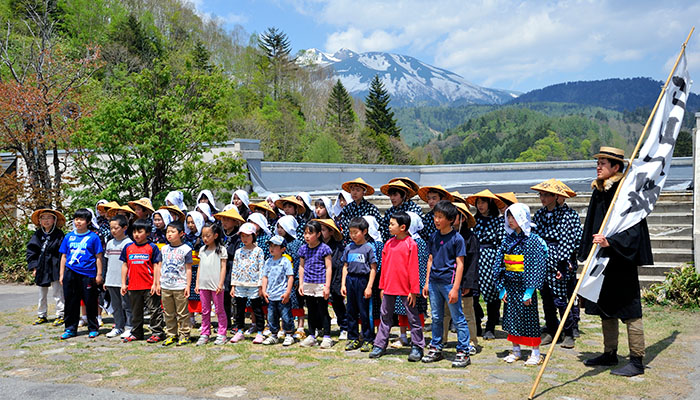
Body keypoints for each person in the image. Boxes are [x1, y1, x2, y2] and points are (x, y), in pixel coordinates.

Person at [580, 146, 652, 377]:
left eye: (603, 162)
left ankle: (637, 360)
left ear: (616, 167)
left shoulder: (627, 194)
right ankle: (609, 352)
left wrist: (611, 241)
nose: (598, 166)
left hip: (622, 259)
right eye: (598, 161)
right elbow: (592, 223)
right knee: (605, 308)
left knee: (630, 310)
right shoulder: (599, 191)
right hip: (602, 260)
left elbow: (634, 229)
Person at [494, 203, 548, 366]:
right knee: (511, 319)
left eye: (514, 217)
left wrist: (530, 290)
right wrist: (502, 287)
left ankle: (535, 352)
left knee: (529, 319)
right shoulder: (507, 240)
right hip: (510, 285)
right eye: (508, 217)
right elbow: (499, 263)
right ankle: (515, 349)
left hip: (526, 285)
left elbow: (536, 265)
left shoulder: (532, 240)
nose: (510, 220)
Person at [421, 201, 471, 368]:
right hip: (434, 283)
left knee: (458, 318)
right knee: (436, 317)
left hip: (449, 283)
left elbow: (460, 264)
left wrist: (456, 288)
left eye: (440, 217)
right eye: (435, 216)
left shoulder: (457, 239)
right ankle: (436, 347)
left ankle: (463, 350)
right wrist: (427, 282)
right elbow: (430, 260)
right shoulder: (434, 236)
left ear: (451, 219)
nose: (436, 220)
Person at [370, 211, 424, 361]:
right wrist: (382, 287)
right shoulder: (388, 243)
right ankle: (380, 345)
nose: (389, 226)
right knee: (385, 316)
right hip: (389, 287)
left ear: (403, 227)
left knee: (413, 317)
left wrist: (414, 291)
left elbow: (414, 269)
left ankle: (417, 346)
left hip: (406, 289)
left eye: (392, 224)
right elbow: (385, 267)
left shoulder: (411, 244)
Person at [530, 179, 577, 349]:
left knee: (560, 299)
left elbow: (568, 240)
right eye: (541, 194)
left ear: (555, 196)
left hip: (559, 257)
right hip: (543, 258)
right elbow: (534, 237)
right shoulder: (540, 214)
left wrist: (563, 264)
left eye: (546, 195)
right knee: (547, 297)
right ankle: (551, 329)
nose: (542, 198)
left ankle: (569, 332)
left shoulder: (567, 215)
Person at [58, 208, 104, 339]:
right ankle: (70, 328)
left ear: (88, 222)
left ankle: (93, 327)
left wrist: (99, 274)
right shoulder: (68, 236)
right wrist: (62, 274)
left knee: (90, 301)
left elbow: (98, 257)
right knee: (71, 302)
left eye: (81, 219)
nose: (78, 222)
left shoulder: (93, 237)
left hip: (88, 273)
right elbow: (64, 256)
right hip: (70, 272)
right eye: (76, 219)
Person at [467, 189, 506, 340]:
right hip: (474, 258)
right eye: (478, 202)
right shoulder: (473, 221)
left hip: (491, 258)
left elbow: (501, 243)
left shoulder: (498, 221)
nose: (480, 205)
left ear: (490, 204)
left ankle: (490, 326)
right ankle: (476, 323)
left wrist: (498, 262)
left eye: (483, 202)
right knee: (473, 294)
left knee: (492, 294)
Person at [389, 211, 429, 350]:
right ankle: (403, 335)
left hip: (413, 284)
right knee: (401, 311)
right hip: (401, 283)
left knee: (415, 311)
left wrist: (420, 285)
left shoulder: (418, 243)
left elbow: (421, 266)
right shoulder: (395, 242)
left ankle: (417, 337)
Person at [443, 202, 479, 356]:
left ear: (462, 218)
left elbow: (472, 264)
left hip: (464, 282)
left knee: (467, 312)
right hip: (446, 281)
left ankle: (471, 341)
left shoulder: (470, 237)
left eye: (454, 216)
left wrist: (468, 284)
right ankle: (441, 339)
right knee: (444, 313)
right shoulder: (445, 235)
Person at [120, 219, 164, 343]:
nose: (136, 235)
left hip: (149, 285)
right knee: (136, 311)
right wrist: (124, 283)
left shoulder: (152, 247)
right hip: (133, 286)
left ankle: (157, 332)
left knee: (154, 310)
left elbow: (156, 265)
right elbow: (125, 265)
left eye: (140, 232)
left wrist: (156, 283)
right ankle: (137, 332)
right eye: (134, 232)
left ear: (148, 233)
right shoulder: (128, 247)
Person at [341, 217, 378, 352]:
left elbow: (373, 268)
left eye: (356, 232)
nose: (353, 235)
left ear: (364, 231)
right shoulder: (348, 248)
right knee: (351, 311)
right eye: (351, 232)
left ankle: (368, 339)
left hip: (363, 281)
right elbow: (345, 266)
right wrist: (343, 284)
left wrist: (369, 286)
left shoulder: (369, 248)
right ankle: (353, 338)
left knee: (364, 312)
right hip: (351, 280)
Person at [27, 208, 66, 326]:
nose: (46, 220)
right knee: (41, 293)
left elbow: (63, 253)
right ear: (39, 221)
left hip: (55, 265)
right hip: (42, 266)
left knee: (58, 292)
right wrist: (34, 267)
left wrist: (62, 270)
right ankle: (42, 314)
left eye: (49, 217)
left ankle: (61, 314)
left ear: (54, 220)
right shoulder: (37, 234)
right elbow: (31, 251)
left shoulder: (59, 234)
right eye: (43, 218)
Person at [298, 220, 333, 348]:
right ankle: (312, 335)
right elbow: (301, 267)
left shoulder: (324, 248)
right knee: (311, 310)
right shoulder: (303, 249)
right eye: (305, 233)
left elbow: (329, 267)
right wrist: (301, 284)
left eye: (310, 233)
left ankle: (327, 336)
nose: (307, 236)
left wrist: (327, 286)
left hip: (321, 283)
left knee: (323, 310)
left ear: (318, 234)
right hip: (308, 283)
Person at [158, 220, 193, 347]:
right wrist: (158, 282)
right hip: (166, 285)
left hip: (180, 286)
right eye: (168, 232)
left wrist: (188, 285)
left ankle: (184, 335)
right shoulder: (163, 249)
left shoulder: (186, 249)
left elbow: (188, 269)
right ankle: (171, 334)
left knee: (182, 313)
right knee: (168, 313)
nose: (169, 234)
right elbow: (159, 265)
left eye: (173, 232)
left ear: (181, 233)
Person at [230, 222, 265, 344]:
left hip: (254, 285)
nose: (245, 239)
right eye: (242, 236)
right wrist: (233, 285)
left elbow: (262, 268)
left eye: (247, 236)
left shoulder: (258, 251)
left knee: (257, 309)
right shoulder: (239, 251)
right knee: (239, 309)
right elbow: (235, 267)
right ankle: (240, 330)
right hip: (240, 284)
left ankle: (260, 332)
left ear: (253, 236)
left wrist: (261, 285)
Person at [195, 222, 228, 346]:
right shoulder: (202, 250)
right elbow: (199, 267)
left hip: (216, 286)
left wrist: (220, 283)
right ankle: (205, 333)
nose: (205, 238)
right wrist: (197, 283)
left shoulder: (221, 250)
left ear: (215, 235)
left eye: (208, 236)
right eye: (203, 236)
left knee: (219, 310)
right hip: (204, 285)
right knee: (205, 311)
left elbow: (223, 267)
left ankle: (222, 333)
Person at [276, 215, 306, 339]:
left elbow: (299, 263)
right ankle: (285, 326)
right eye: (278, 227)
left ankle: (300, 327)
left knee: (297, 303)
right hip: (282, 279)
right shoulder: (277, 243)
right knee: (283, 304)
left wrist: (298, 279)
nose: (279, 230)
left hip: (294, 279)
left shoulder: (297, 244)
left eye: (282, 227)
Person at [317, 218, 348, 341]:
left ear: (331, 232)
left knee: (338, 305)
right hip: (319, 279)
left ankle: (344, 328)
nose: (321, 232)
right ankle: (321, 327)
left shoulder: (338, 248)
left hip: (335, 279)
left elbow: (339, 265)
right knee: (319, 306)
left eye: (324, 230)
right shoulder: (316, 246)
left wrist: (339, 283)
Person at [215, 206, 244, 334]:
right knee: (224, 297)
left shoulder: (238, 237)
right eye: (223, 219)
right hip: (222, 268)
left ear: (235, 221)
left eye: (228, 219)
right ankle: (225, 323)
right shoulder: (220, 234)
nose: (224, 222)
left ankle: (238, 323)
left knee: (236, 298)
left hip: (234, 267)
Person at [102, 215, 133, 338]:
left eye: (116, 228)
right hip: (111, 280)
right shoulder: (109, 243)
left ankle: (129, 326)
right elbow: (107, 262)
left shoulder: (129, 243)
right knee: (116, 306)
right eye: (111, 228)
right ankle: (118, 326)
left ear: (125, 227)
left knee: (127, 305)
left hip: (124, 281)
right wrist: (105, 279)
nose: (113, 231)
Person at [261, 235, 295, 345]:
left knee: (286, 315)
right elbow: (265, 276)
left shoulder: (285, 261)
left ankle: (289, 334)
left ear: (282, 249)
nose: (272, 248)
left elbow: (290, 277)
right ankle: (274, 334)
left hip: (282, 294)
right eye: (271, 245)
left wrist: (288, 292)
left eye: (275, 246)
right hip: (271, 295)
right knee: (271, 316)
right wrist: (264, 290)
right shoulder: (268, 262)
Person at [338, 178, 383, 244]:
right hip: (351, 242)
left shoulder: (371, 208)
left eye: (358, 190)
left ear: (363, 192)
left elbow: (379, 227)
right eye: (352, 190)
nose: (354, 193)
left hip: (369, 243)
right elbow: (345, 227)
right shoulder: (347, 209)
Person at [184, 211, 204, 326]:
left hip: (200, 268)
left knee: (200, 294)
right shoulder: (186, 238)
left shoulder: (203, 237)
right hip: (189, 268)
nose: (190, 225)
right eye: (188, 223)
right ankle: (191, 317)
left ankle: (203, 319)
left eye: (193, 222)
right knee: (190, 294)